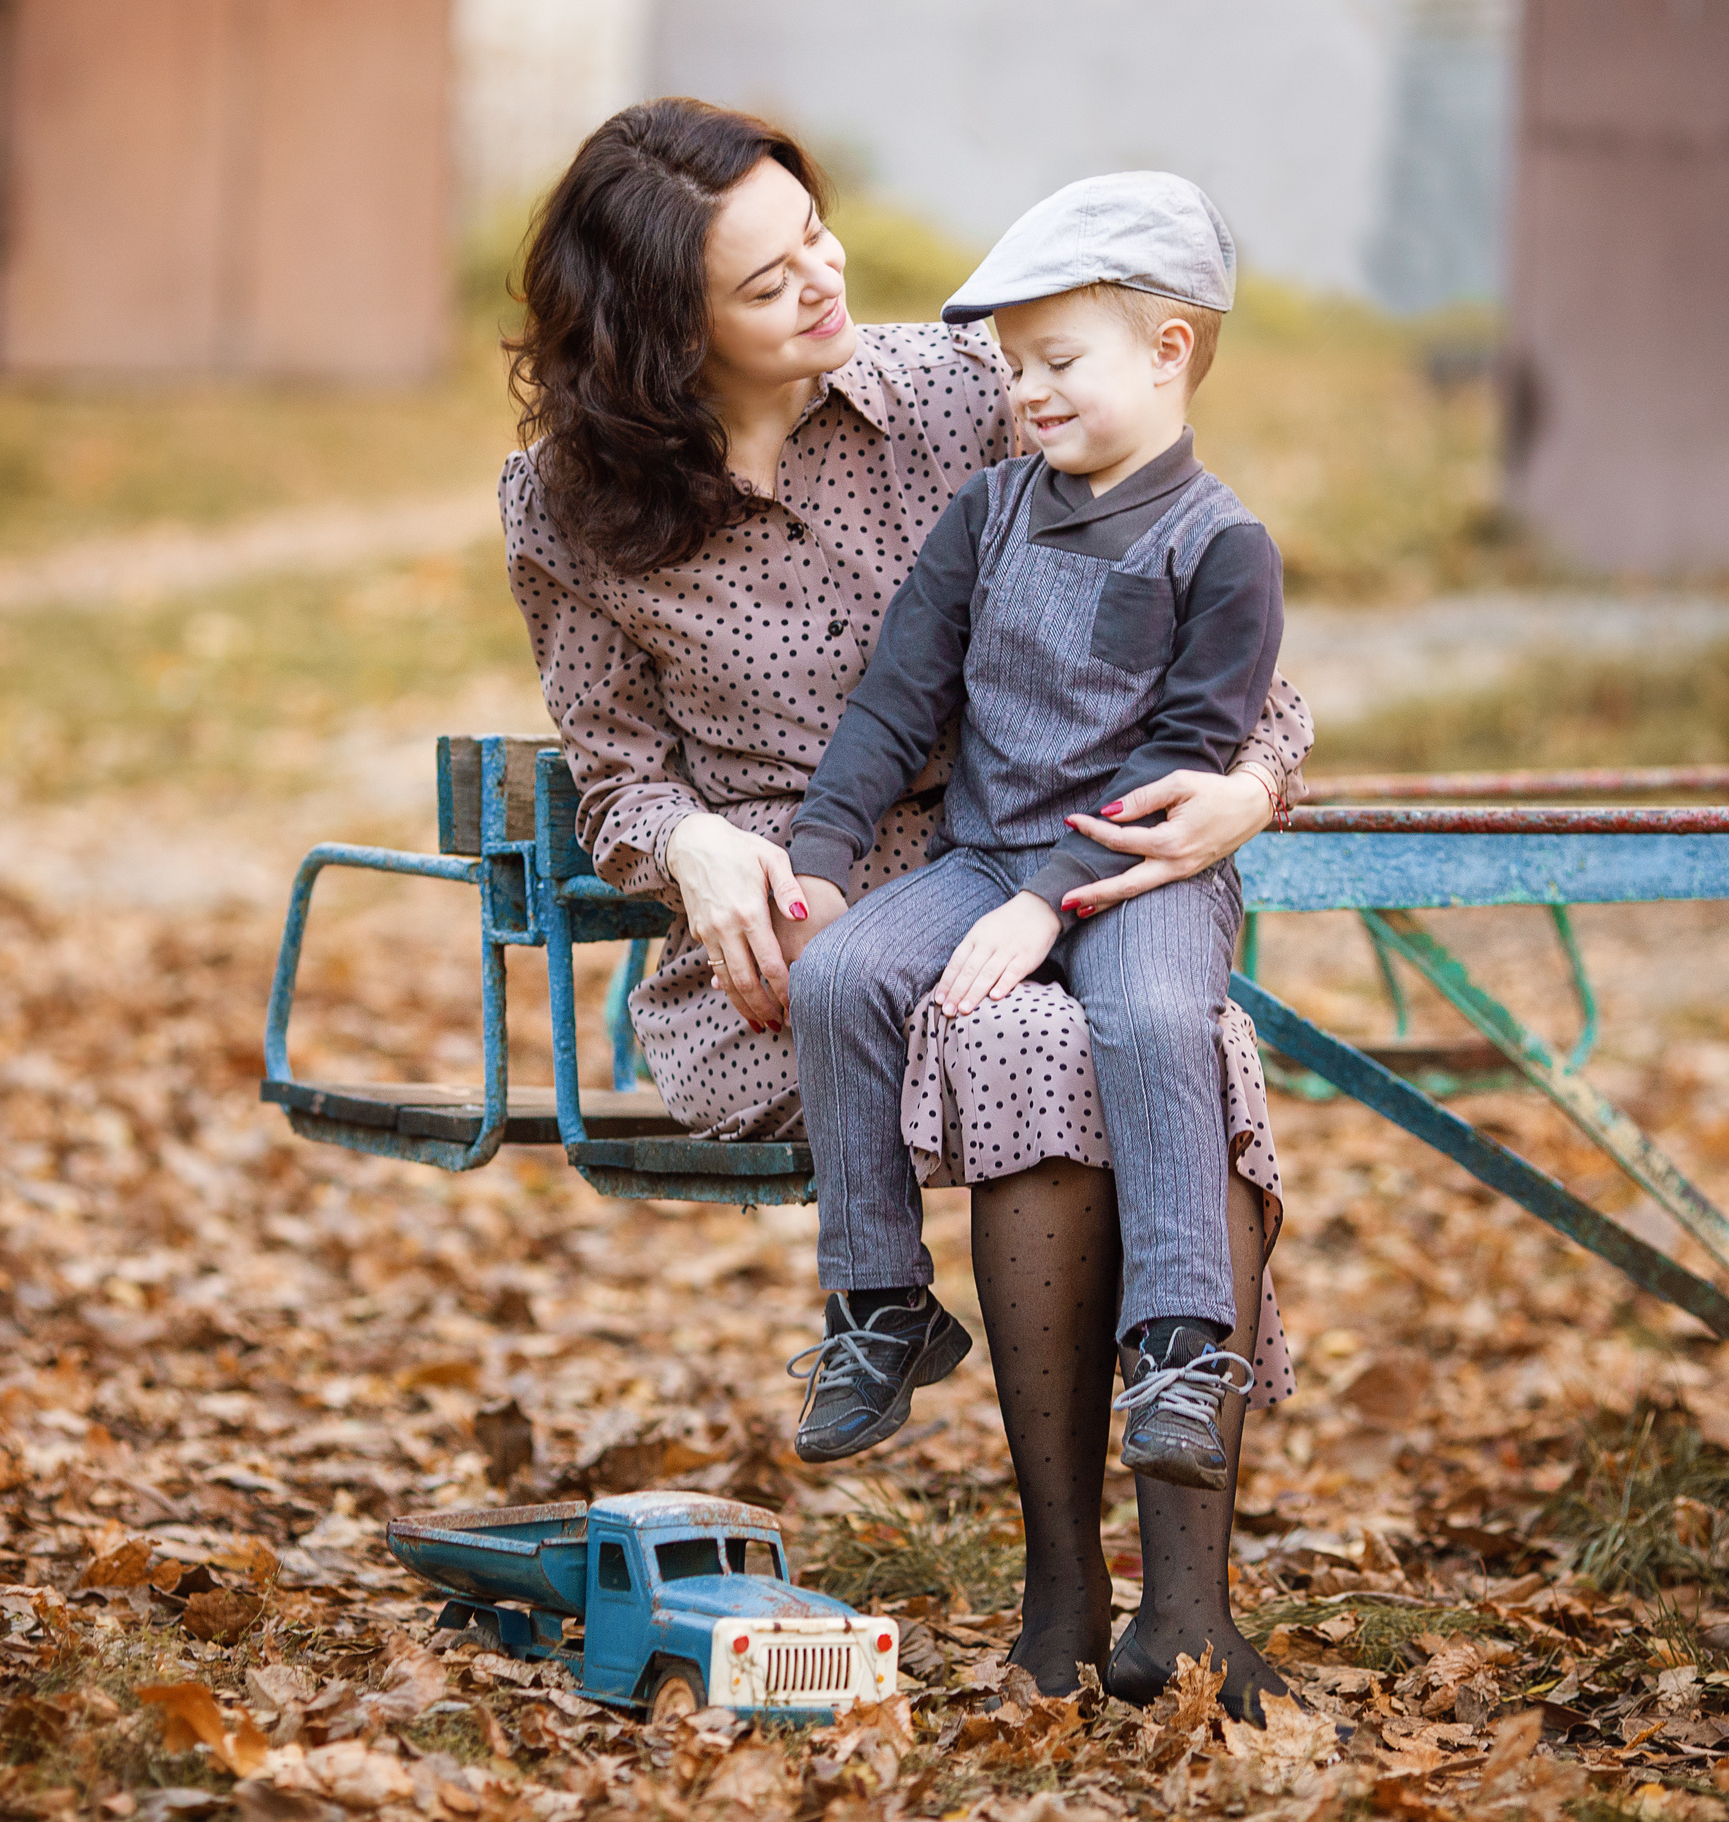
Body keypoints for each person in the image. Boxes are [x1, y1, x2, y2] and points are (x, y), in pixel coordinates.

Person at [502, 98, 1298, 1718]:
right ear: (663, 337)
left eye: (816, 230)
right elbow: (616, 774)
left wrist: (1253, 789)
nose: (825, 277)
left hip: (1071, 863)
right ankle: (1071, 1586)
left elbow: (1213, 632)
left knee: (1144, 1026)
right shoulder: (567, 510)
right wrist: (698, 849)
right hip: (814, 949)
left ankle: (1181, 1609)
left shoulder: (959, 392)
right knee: (1029, 1045)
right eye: (765, 277)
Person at [788, 172, 1273, 1505]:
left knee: (1153, 1020)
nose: (1026, 391)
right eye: (1013, 367)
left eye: (1058, 359)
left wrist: (1055, 904)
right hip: (991, 858)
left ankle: (1180, 1343)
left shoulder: (1223, 548)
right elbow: (897, 699)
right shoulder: (986, 517)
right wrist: (822, 854)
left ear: (1170, 353)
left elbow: (1183, 752)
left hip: (1139, 868)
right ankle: (880, 1302)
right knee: (837, 975)